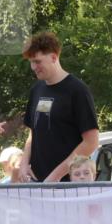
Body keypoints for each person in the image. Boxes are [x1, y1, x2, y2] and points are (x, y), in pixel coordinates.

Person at [18, 32, 99, 183]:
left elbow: (91, 142)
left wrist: (56, 176)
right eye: (31, 62)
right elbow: (33, 132)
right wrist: (23, 164)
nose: (33, 67)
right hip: (37, 181)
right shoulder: (36, 89)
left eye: (37, 61)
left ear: (54, 57)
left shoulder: (77, 90)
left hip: (67, 184)